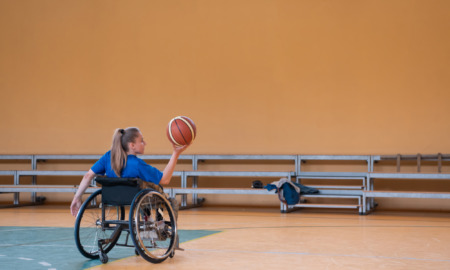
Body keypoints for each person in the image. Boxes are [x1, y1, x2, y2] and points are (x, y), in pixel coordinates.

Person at [70, 127, 189, 217]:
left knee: (144, 191)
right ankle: (160, 224)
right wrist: (176, 153)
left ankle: (146, 217)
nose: (145, 143)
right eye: (142, 141)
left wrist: (77, 197)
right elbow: (165, 179)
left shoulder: (108, 157)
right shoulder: (137, 164)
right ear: (132, 145)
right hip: (136, 199)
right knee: (166, 197)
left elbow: (88, 176)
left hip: (112, 197)